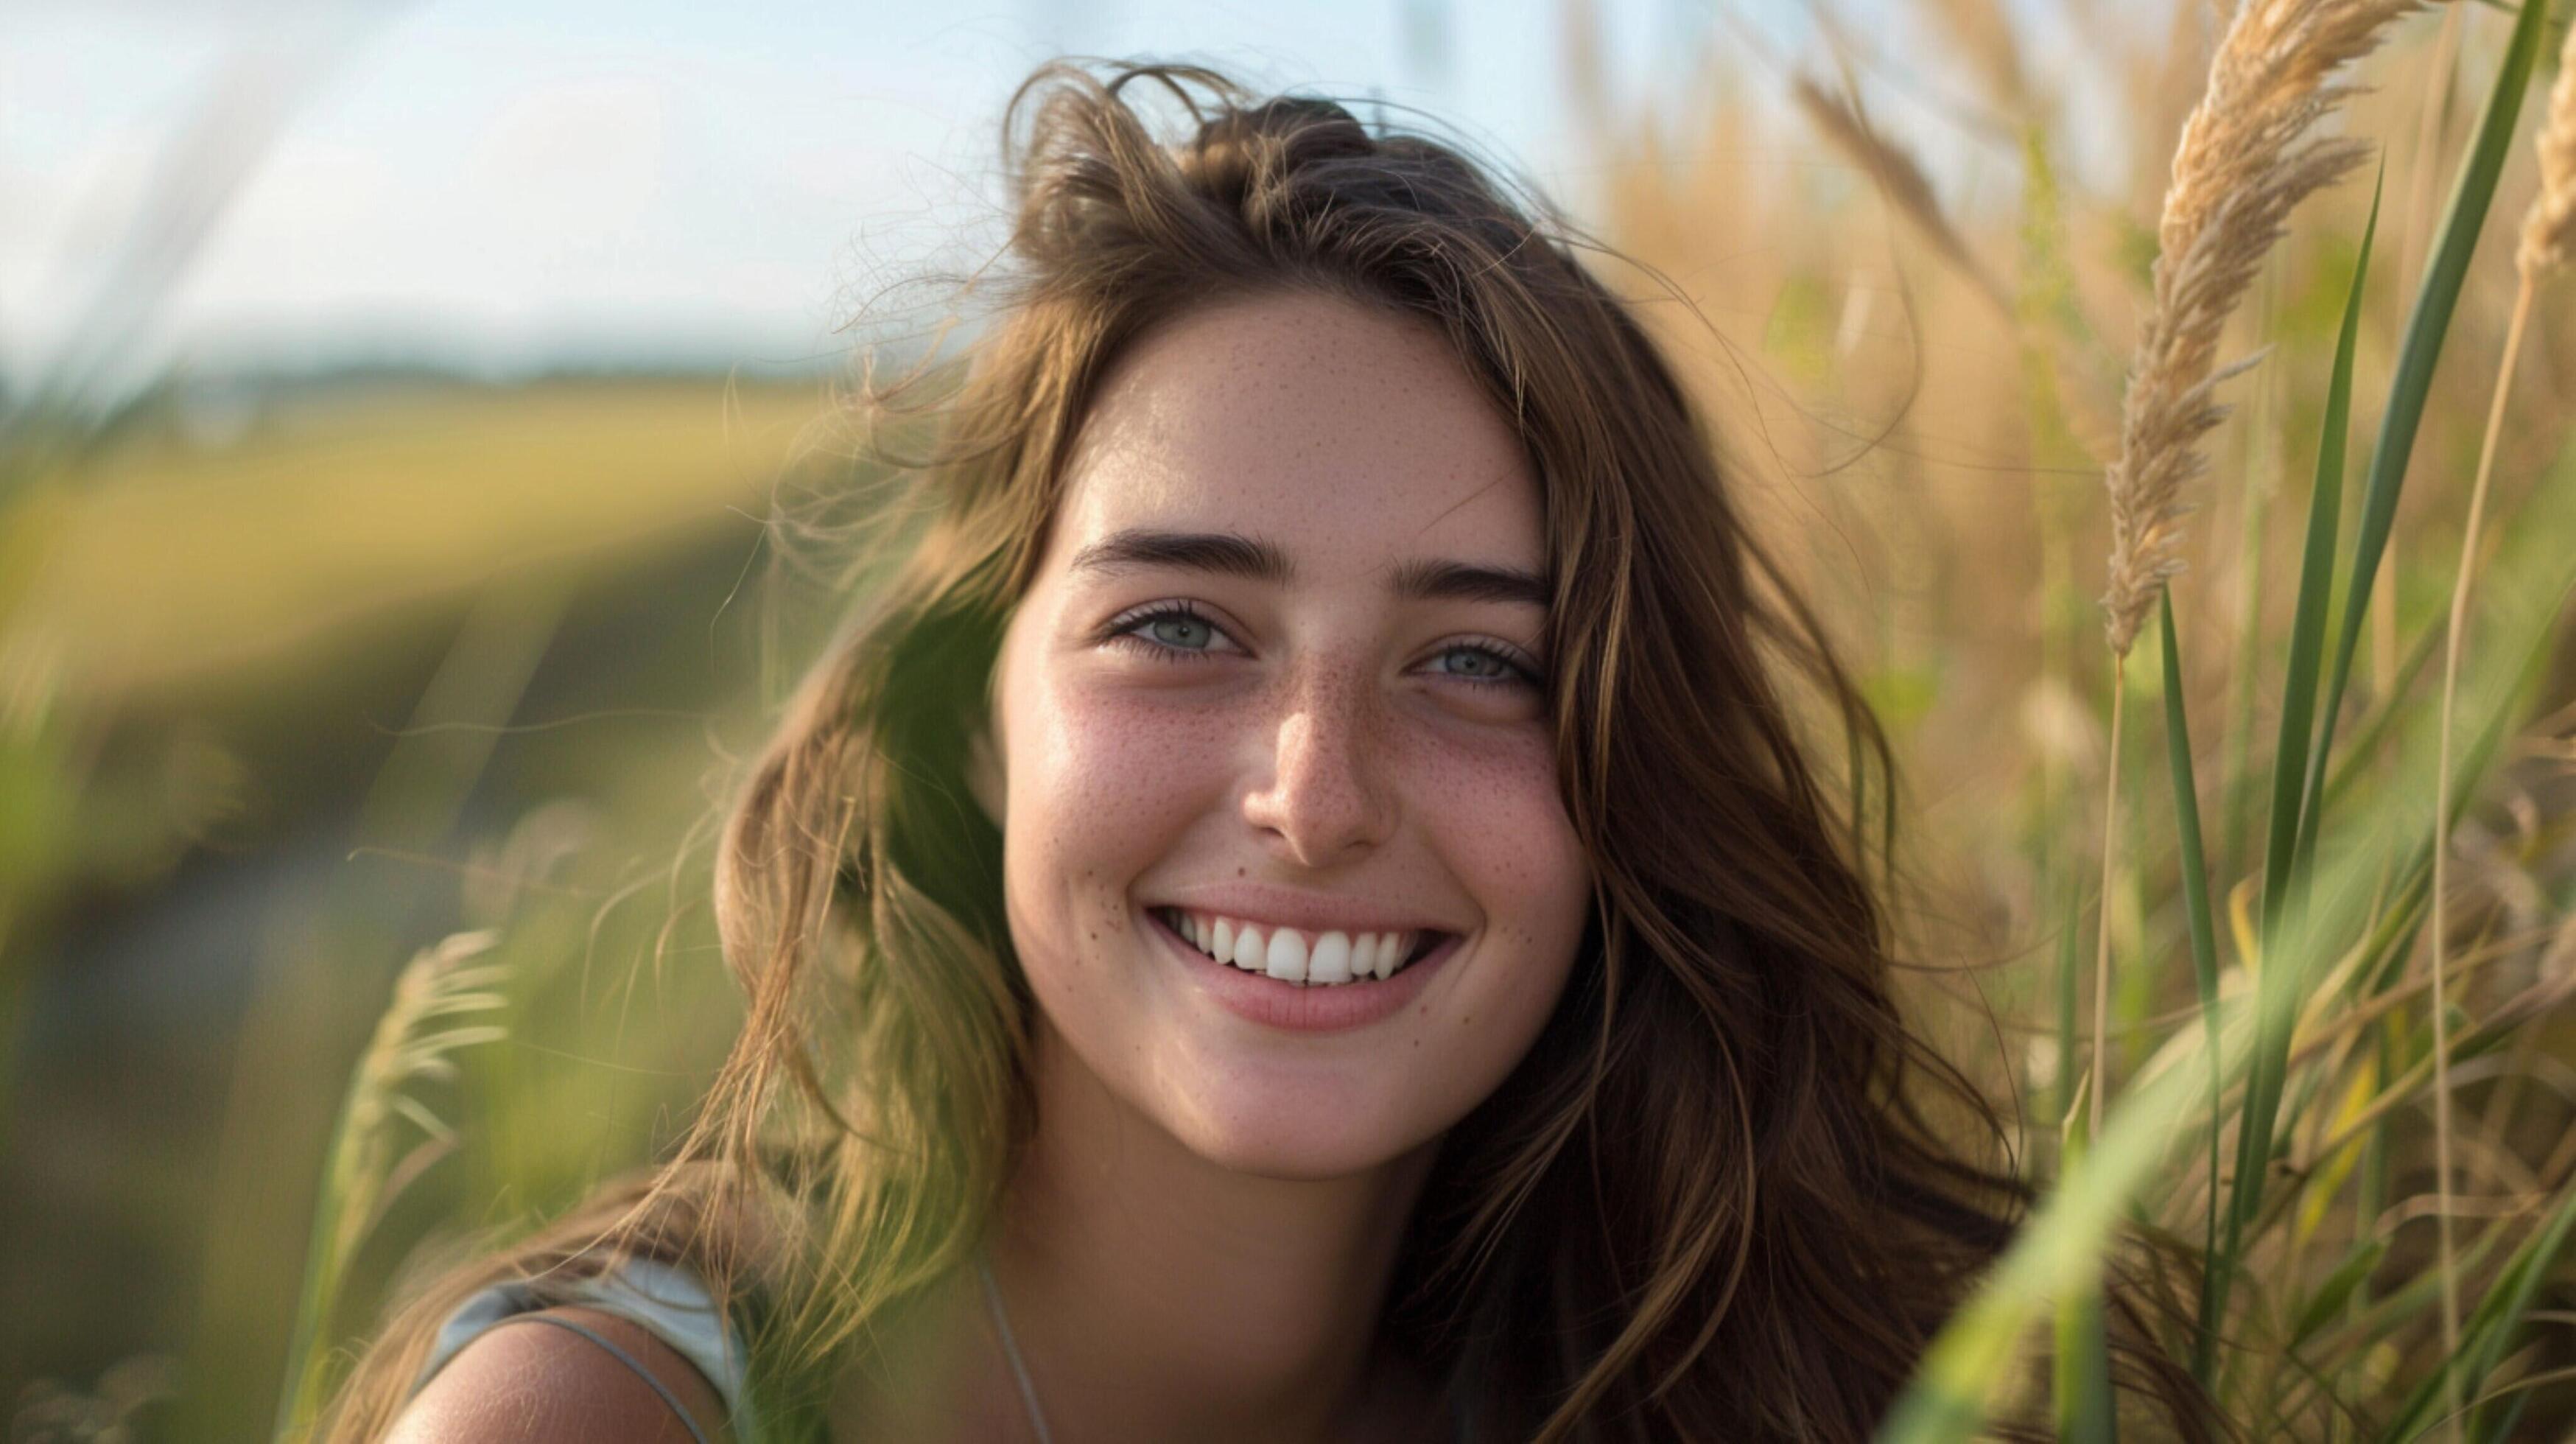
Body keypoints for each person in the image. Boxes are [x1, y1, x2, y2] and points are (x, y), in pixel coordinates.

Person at [324, 58, 2220, 1443]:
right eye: (1177, 627)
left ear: (1625, 773)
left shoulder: (1733, 1385)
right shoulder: (603, 1420)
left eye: (1479, 659)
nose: (1313, 796)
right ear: (974, 721)